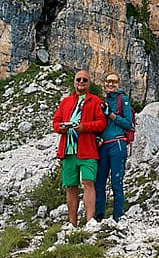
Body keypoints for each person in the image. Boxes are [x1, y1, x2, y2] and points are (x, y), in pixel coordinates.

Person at [52, 69, 107, 228]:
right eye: (78, 79)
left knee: (88, 182)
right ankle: (72, 223)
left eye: (84, 80)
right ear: (74, 82)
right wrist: (60, 128)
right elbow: (55, 121)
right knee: (70, 186)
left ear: (89, 83)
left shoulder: (96, 101)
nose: (81, 82)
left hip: (88, 148)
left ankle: (90, 221)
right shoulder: (66, 101)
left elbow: (101, 123)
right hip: (68, 150)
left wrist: (84, 127)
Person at [95, 71, 134, 222]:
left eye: (114, 82)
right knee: (100, 181)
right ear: (104, 84)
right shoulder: (102, 101)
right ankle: (99, 216)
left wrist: (111, 115)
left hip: (118, 143)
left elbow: (128, 124)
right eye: (108, 81)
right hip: (104, 145)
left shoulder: (122, 99)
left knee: (116, 181)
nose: (110, 84)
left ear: (118, 84)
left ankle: (118, 216)